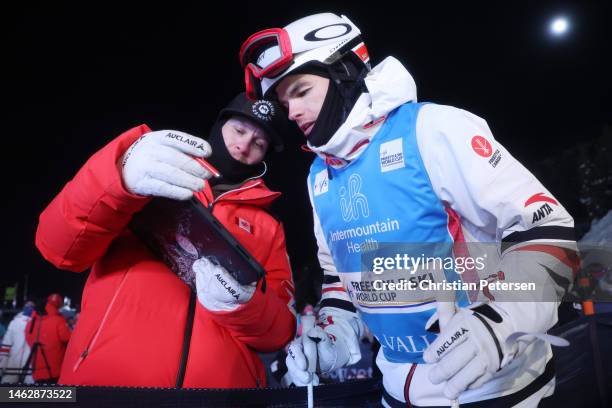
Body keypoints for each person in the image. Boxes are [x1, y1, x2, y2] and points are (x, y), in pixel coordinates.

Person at [239, 13, 578, 407]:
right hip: (396, 390)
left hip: (498, 389)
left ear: (346, 71)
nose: (292, 111)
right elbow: (339, 281)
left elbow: (548, 230)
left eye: (300, 90)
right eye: (284, 102)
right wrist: (332, 339)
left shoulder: (433, 128)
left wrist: (503, 320)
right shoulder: (319, 176)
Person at [35, 93, 296, 388]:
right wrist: (118, 180)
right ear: (220, 124)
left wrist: (244, 305)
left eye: (259, 144)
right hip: (106, 385)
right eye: (239, 130)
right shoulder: (152, 173)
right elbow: (57, 247)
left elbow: (280, 331)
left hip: (219, 396)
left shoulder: (268, 227)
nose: (244, 145)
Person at [25, 294, 71, 383]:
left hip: (36, 368)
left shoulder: (32, 321)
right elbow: (67, 338)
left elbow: (28, 338)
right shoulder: (58, 320)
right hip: (55, 368)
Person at [0, 301, 36, 384]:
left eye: (31, 306)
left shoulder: (37, 323)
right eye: (28, 305)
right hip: (13, 363)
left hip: (30, 365)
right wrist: (2, 365)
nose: (29, 307)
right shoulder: (15, 323)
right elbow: (6, 345)